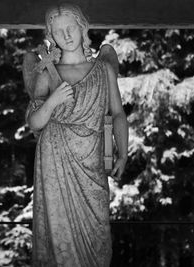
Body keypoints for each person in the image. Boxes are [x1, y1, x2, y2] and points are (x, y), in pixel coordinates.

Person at [25, 3, 128, 266]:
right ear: (52, 37)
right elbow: (34, 122)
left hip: (91, 160)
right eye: (59, 32)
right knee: (58, 232)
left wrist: (123, 153)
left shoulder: (103, 70)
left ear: (83, 29)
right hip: (55, 159)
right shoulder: (48, 73)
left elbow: (117, 114)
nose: (66, 35)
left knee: (98, 233)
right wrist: (52, 101)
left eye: (70, 28)